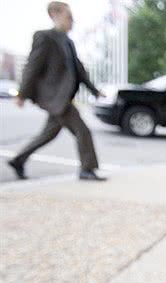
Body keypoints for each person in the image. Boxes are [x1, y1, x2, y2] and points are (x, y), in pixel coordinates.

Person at [8, 1, 106, 181]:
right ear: (55, 15)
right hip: (56, 98)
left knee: (48, 134)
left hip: (63, 98)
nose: (72, 21)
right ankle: (87, 169)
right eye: (69, 17)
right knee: (83, 131)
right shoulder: (45, 37)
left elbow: (79, 71)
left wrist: (94, 91)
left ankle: (18, 160)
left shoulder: (68, 42)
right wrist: (22, 94)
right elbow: (33, 66)